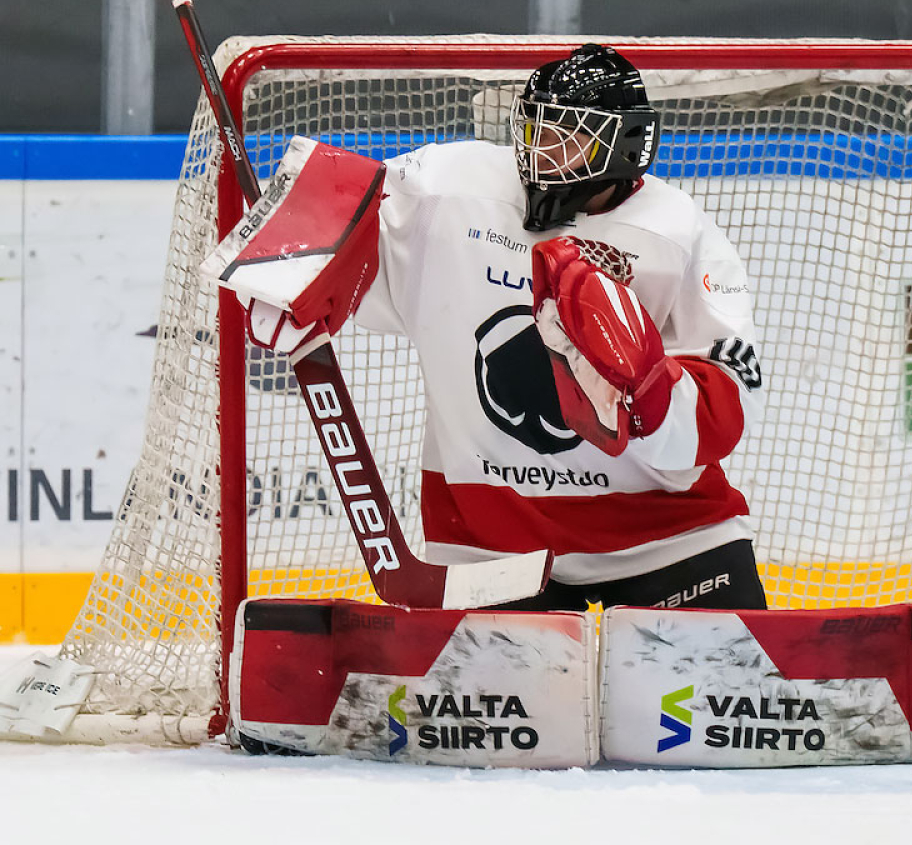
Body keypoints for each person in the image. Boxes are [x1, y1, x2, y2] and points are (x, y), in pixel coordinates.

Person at [247, 43, 767, 612]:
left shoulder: (678, 233)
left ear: (623, 144)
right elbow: (345, 199)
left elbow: (728, 402)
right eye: (538, 129)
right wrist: (292, 262)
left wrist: (651, 389)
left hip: (666, 535)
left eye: (570, 138)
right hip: (489, 543)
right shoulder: (450, 186)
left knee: (733, 698)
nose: (544, 152)